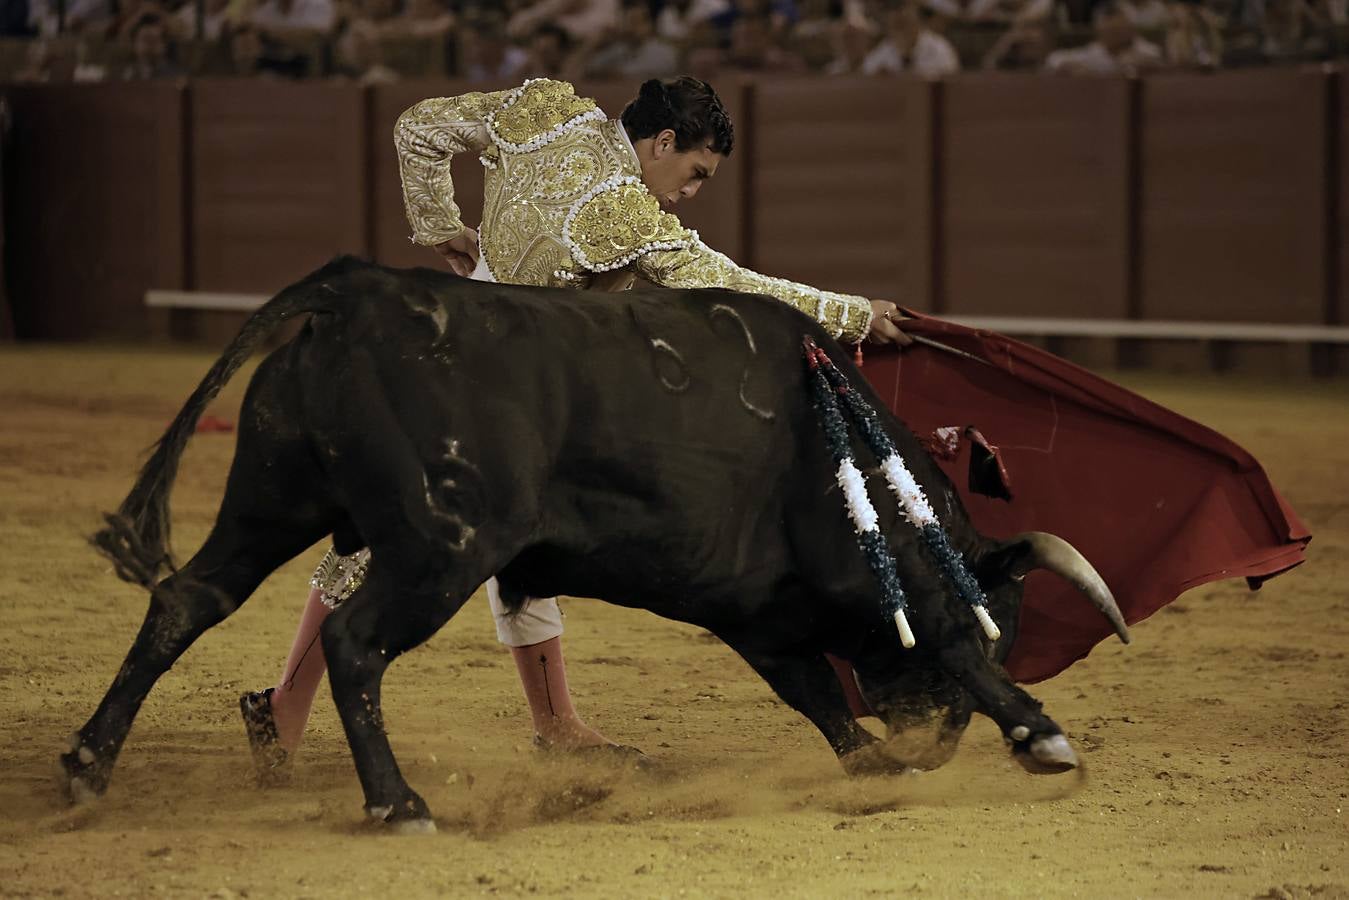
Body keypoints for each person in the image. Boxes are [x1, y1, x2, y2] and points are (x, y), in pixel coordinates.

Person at [239, 75, 908, 783]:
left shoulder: (545, 111)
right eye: (695, 172)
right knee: (427, 536)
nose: (691, 191)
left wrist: (441, 229)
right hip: (498, 389)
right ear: (663, 142)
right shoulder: (620, 213)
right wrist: (849, 313)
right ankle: (296, 707)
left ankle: (522, 721)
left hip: (442, 351)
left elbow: (418, 130)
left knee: (459, 537)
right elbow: (720, 279)